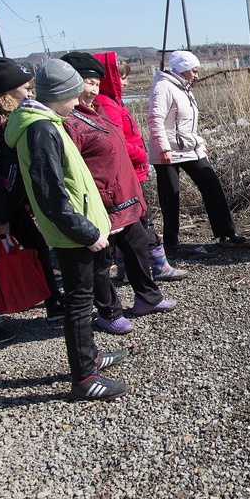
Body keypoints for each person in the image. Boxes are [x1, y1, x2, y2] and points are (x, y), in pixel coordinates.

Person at [4, 59, 129, 400]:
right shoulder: (40, 129)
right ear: (58, 94)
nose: (78, 101)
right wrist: (86, 233)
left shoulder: (50, 122)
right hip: (74, 234)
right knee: (78, 303)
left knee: (83, 299)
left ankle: (90, 357)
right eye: (73, 94)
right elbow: (51, 194)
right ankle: (85, 377)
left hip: (81, 227)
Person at [59, 52, 176, 335]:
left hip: (123, 196)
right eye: (88, 82)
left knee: (137, 245)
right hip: (99, 202)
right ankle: (109, 312)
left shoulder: (96, 110)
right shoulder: (68, 121)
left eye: (97, 82)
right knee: (101, 261)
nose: (93, 89)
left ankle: (147, 298)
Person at [0, 57, 65, 346]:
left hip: (12, 204)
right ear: (8, 90)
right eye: (26, 87)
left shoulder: (8, 113)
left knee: (36, 246)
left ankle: (54, 303)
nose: (31, 92)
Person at [92, 51, 185, 280]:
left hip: (132, 168)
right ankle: (157, 265)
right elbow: (116, 141)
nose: (126, 82)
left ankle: (126, 267)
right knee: (142, 217)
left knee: (131, 219)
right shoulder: (107, 103)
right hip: (129, 170)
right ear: (111, 78)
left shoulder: (112, 101)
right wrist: (139, 153)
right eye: (121, 77)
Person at [147, 50, 245, 249]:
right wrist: (163, 148)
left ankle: (227, 231)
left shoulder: (184, 87)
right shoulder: (163, 87)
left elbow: (187, 124)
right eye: (194, 71)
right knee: (170, 196)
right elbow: (155, 119)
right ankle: (172, 242)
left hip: (189, 148)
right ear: (182, 70)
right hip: (167, 151)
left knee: (212, 186)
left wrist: (200, 147)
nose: (197, 75)